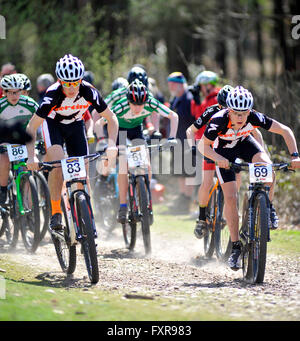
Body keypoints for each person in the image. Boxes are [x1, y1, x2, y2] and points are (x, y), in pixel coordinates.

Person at [199, 85, 300, 270]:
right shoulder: (218, 121)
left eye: (244, 113)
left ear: (249, 110)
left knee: (267, 167)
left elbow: (286, 130)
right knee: (230, 197)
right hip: (223, 151)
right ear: (228, 110)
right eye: (236, 113)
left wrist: (295, 156)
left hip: (246, 144)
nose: (240, 117)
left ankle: (268, 207)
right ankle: (236, 246)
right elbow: (202, 146)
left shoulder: (254, 117)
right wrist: (219, 159)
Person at [25, 54, 119, 231]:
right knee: (58, 165)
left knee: (82, 172)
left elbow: (111, 118)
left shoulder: (89, 91)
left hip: (75, 124)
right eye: (67, 83)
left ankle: (87, 216)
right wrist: (31, 157)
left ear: (81, 80)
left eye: (75, 82)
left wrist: (112, 144)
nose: (71, 88)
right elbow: (31, 127)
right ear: (60, 81)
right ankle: (55, 212)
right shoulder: (52, 95)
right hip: (53, 125)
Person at [106, 79, 178, 224]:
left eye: (141, 104)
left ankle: (146, 197)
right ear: (128, 101)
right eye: (134, 104)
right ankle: (123, 206)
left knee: (146, 162)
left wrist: (172, 137)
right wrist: (111, 143)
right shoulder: (120, 107)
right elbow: (104, 120)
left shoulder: (151, 102)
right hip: (121, 131)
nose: (138, 108)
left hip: (136, 131)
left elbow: (173, 116)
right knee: (124, 164)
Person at [0, 74, 38, 205]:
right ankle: (3, 190)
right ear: (4, 92)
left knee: (29, 166)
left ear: (21, 91)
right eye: (9, 93)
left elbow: (44, 122)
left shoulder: (30, 103)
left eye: (16, 92)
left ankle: (29, 199)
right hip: (6, 140)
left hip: (25, 139)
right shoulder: (1, 105)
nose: (14, 96)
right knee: (4, 159)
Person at [166, 71, 197, 214]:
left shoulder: (188, 99)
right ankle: (182, 198)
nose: (170, 86)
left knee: (188, 173)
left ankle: (186, 201)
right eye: (170, 84)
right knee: (179, 172)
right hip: (177, 141)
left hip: (187, 142)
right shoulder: (176, 99)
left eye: (173, 84)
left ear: (180, 84)